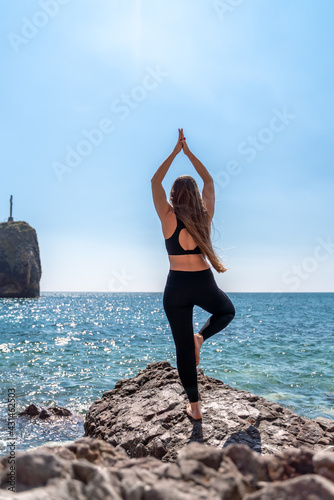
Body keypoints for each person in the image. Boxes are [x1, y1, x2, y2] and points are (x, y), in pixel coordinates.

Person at [151, 128, 235, 420]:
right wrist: (189, 153)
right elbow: (210, 180)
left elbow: (154, 181)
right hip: (202, 282)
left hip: (175, 288)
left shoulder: (166, 216)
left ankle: (195, 409)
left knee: (182, 349)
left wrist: (174, 153)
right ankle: (201, 337)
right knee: (226, 312)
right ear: (196, 195)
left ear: (174, 195)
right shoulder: (204, 216)